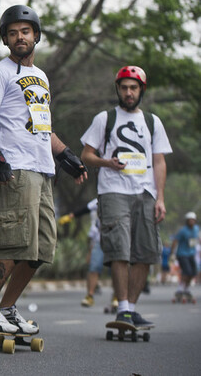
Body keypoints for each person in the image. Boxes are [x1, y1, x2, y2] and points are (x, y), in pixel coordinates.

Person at [0, 5, 88, 334]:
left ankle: (6, 308)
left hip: (42, 170)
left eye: (25, 31)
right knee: (14, 244)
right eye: (12, 33)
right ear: (5, 40)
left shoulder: (42, 77)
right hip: (15, 170)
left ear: (36, 35)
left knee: (39, 249)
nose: (19, 37)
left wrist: (65, 154)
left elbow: (42, 125)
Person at [80, 65, 171, 328]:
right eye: (124, 88)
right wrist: (106, 162)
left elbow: (159, 161)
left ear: (142, 90)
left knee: (145, 252)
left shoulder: (152, 122)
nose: (128, 93)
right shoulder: (104, 119)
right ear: (117, 90)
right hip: (113, 191)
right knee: (119, 248)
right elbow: (86, 155)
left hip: (145, 192)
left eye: (133, 88)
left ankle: (131, 308)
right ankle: (122, 309)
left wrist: (160, 198)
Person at [59, 198, 106, 307]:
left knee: (117, 267)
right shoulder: (100, 199)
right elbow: (86, 209)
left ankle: (117, 298)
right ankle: (90, 295)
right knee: (94, 267)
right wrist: (71, 216)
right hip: (99, 239)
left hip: (117, 238)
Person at [170, 212, 199, 301]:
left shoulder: (196, 228)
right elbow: (175, 241)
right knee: (187, 271)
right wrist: (172, 253)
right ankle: (180, 289)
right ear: (187, 221)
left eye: (193, 220)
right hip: (182, 254)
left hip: (191, 254)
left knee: (193, 272)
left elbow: (197, 239)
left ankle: (186, 289)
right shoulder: (183, 230)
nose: (191, 222)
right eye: (190, 220)